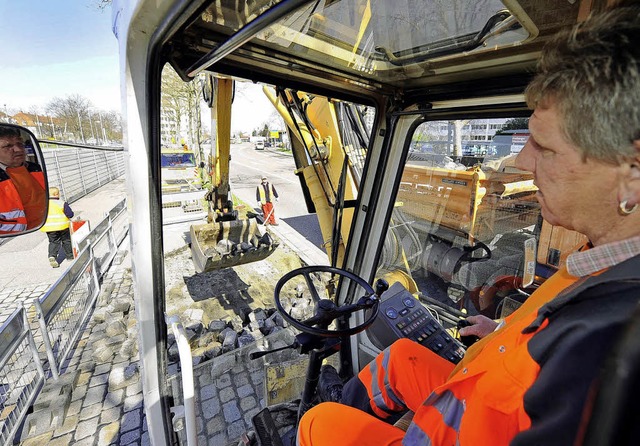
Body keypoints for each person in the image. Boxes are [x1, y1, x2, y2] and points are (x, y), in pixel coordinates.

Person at [298, 4, 640, 446]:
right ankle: (350, 399)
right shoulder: (599, 262)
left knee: (318, 422)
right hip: (481, 389)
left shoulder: (609, 354)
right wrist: (502, 333)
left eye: (546, 147)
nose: (521, 160)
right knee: (401, 356)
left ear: (632, 171)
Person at [0, 126, 46, 233]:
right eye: (8, 146)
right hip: (14, 239)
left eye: (20, 144)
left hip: (43, 228)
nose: (18, 149)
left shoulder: (35, 168)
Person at [40, 187, 75, 268]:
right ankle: (70, 256)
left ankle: (52, 256)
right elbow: (70, 214)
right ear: (56, 194)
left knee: (53, 241)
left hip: (49, 228)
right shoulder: (61, 203)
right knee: (66, 240)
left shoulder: (43, 204)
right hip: (62, 226)